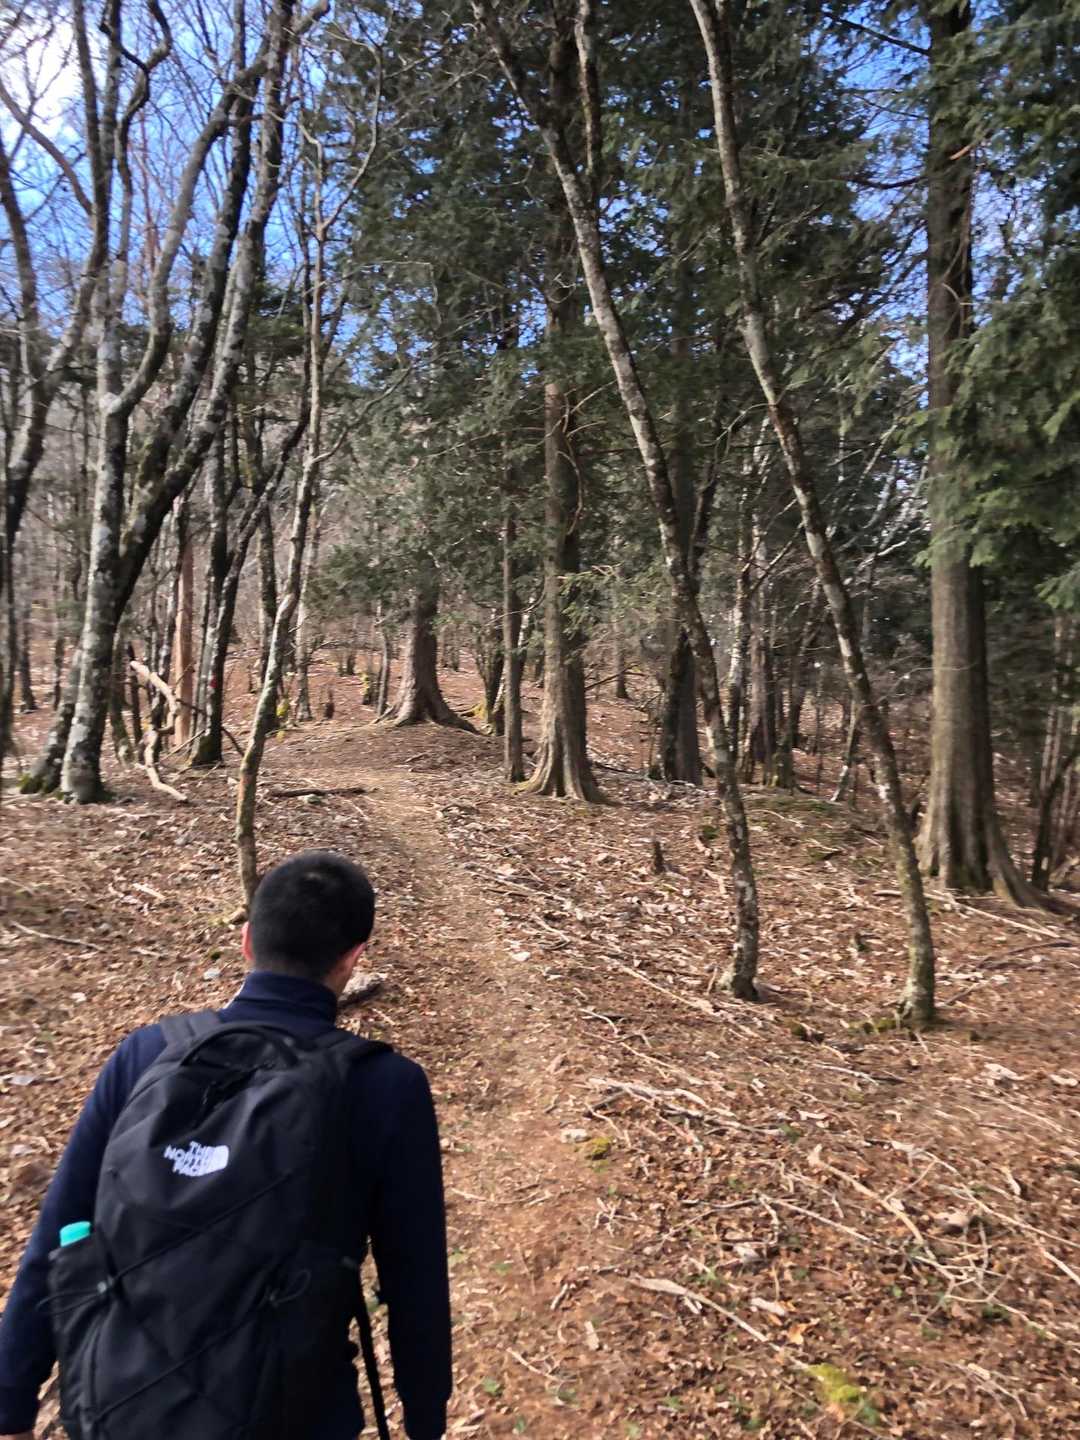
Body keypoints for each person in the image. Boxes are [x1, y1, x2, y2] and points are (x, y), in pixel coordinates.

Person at [0, 849, 451, 1440]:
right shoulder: (384, 1086)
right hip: (293, 1414)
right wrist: (425, 1416)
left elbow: (61, 1226)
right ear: (352, 957)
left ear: (246, 941)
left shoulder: (146, 1054)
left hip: (123, 1404)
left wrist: (11, 1402)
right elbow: (415, 1277)